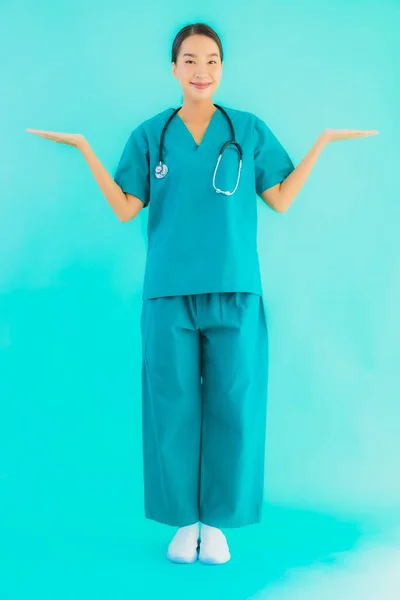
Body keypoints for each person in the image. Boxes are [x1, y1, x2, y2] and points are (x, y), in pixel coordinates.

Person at [26, 22, 378, 566]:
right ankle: (183, 521)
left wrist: (323, 144)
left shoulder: (248, 129)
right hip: (168, 294)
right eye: (190, 60)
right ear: (173, 68)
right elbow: (126, 207)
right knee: (172, 406)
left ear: (222, 68)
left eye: (211, 60)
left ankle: (216, 524)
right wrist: (83, 150)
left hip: (235, 290)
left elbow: (279, 198)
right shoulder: (151, 135)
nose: (201, 70)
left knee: (234, 404)